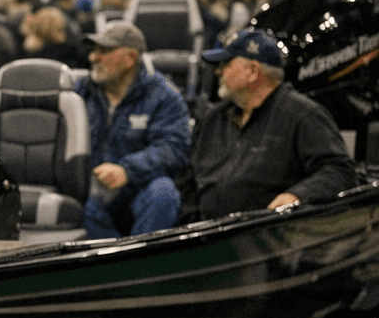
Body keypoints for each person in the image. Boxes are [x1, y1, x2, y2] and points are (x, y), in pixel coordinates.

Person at [189, 28, 358, 218]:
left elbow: (339, 171)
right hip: (204, 239)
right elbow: (188, 180)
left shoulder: (303, 115)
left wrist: (298, 195)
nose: (219, 71)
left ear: (253, 71)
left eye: (226, 63)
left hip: (271, 239)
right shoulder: (213, 119)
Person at [74, 21, 191, 238]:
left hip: (139, 184)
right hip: (91, 187)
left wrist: (127, 170)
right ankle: (113, 264)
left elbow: (174, 148)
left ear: (130, 58)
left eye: (104, 51)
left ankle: (139, 265)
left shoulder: (163, 96)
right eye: (94, 50)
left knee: (164, 194)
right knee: (75, 201)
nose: (93, 57)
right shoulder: (79, 91)